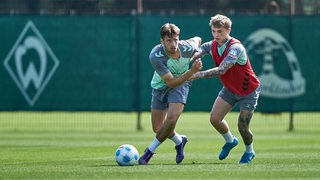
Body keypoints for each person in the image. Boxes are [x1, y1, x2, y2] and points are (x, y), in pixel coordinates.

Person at [190, 14, 261, 164]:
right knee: (214, 119)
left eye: (220, 31)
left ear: (228, 30)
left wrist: (196, 75)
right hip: (230, 89)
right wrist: (187, 60)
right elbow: (200, 51)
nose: (216, 35)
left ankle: (249, 151)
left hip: (248, 90)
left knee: (242, 125)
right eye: (214, 31)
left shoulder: (236, 47)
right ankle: (230, 141)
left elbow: (222, 70)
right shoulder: (212, 44)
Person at [139, 23, 203, 165]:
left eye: (176, 39)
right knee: (158, 128)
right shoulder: (156, 56)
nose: (174, 44)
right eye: (169, 40)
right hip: (162, 86)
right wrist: (192, 71)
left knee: (172, 119)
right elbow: (171, 82)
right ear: (162, 41)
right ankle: (180, 141)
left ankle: (149, 152)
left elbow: (198, 39)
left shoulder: (187, 47)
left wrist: (197, 53)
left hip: (181, 84)